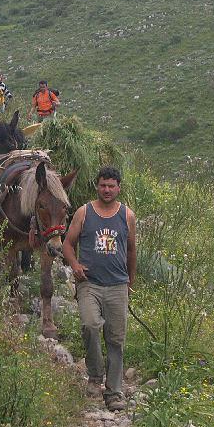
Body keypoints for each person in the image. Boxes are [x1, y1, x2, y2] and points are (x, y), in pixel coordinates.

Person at [62, 166, 137, 411]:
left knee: (116, 339)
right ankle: (95, 375)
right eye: (103, 185)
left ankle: (114, 392)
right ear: (97, 186)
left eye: (111, 186)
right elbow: (68, 244)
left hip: (117, 285)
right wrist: (74, 265)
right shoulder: (84, 212)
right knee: (90, 325)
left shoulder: (127, 215)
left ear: (119, 188)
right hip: (89, 284)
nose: (107, 190)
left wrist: (130, 281)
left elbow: (132, 250)